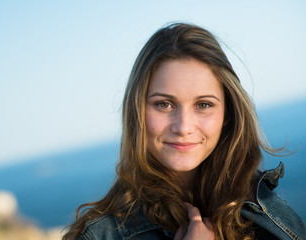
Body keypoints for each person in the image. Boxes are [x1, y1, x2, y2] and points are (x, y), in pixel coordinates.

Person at [62, 23, 306, 240]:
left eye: (203, 105)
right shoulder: (99, 235)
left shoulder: (260, 204)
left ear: (228, 115)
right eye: (164, 104)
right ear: (136, 112)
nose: (183, 127)